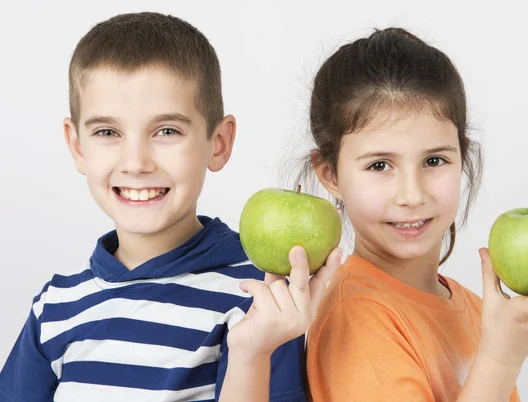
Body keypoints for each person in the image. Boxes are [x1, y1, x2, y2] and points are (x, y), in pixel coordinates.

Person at [0, 12, 340, 402]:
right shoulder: (55, 307)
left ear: (219, 142)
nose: (136, 162)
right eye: (107, 132)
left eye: (166, 131)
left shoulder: (261, 298)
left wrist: (252, 353)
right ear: (77, 145)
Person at [301, 27, 528, 401]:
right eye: (379, 166)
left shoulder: (476, 308)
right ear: (330, 175)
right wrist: (501, 358)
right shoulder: (356, 314)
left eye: (434, 160)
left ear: (461, 159)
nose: (412, 194)